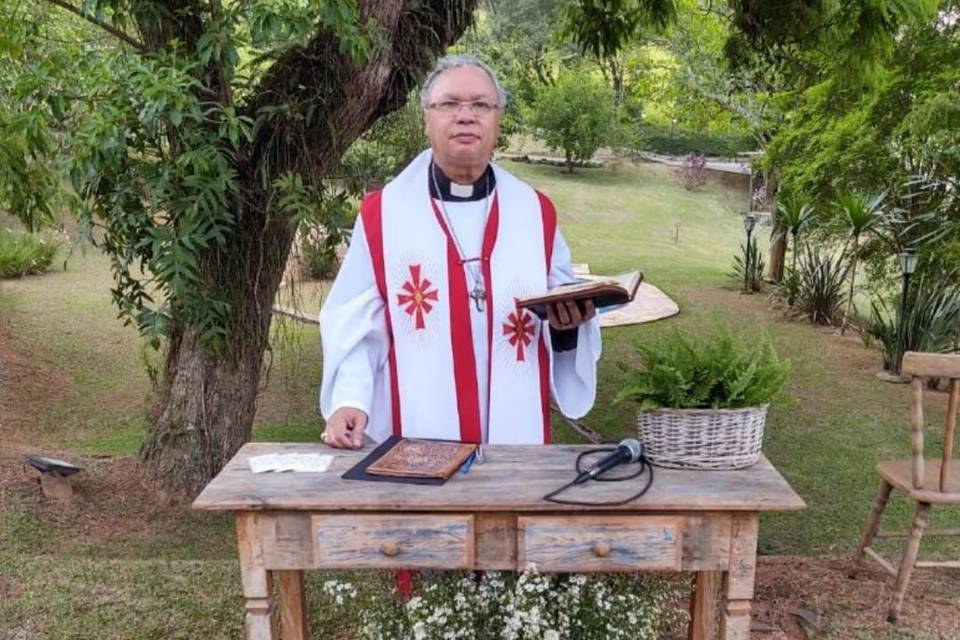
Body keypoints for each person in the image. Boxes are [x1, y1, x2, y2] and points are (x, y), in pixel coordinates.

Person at [319, 54, 601, 449]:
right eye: (450, 104)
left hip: (514, 441)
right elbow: (358, 321)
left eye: (481, 105)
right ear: (426, 119)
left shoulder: (535, 213)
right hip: (414, 433)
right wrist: (349, 399)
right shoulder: (383, 215)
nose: (465, 116)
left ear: (497, 119)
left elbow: (561, 308)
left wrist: (568, 328)